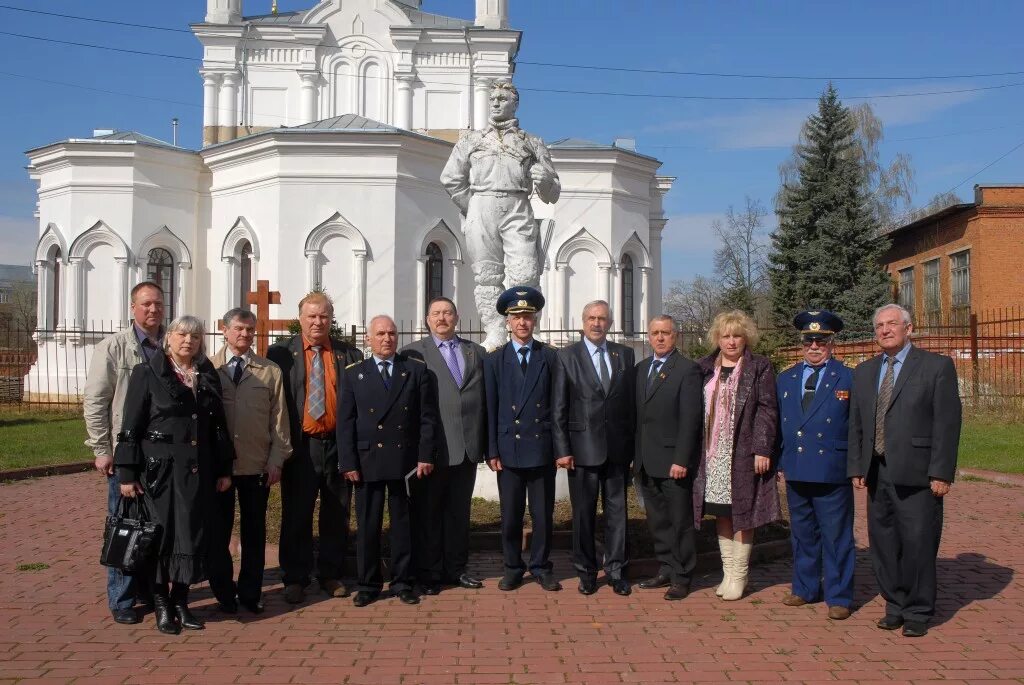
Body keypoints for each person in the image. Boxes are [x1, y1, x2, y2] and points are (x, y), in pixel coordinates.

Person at [114, 315, 234, 635]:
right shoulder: (148, 372)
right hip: (160, 472)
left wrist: (224, 468)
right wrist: (127, 474)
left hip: (199, 471)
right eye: (181, 334)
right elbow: (130, 427)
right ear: (168, 338)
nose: (188, 341)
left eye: (194, 336)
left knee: (192, 536)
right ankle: (161, 605)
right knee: (162, 538)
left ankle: (181, 601)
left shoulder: (206, 374)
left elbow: (218, 427)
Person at [848, 304, 962, 638]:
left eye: (892, 324)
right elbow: (857, 421)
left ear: (909, 328)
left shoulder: (936, 367)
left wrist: (941, 472)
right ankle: (894, 605)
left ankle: (918, 610)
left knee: (918, 542)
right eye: (879, 325)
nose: (884, 330)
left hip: (919, 473)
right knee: (883, 543)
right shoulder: (865, 371)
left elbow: (947, 423)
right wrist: (857, 465)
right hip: (877, 471)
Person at [440, 81, 561, 351]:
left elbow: (553, 193)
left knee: (525, 273)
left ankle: (525, 331)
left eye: (502, 99)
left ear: (514, 104)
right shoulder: (471, 140)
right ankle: (495, 332)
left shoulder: (532, 142)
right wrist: (470, 206)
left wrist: (543, 181)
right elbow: (450, 178)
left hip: (517, 206)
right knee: (486, 275)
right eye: (492, 98)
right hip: (481, 206)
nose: (495, 103)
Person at [267, 291, 364, 604]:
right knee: (297, 513)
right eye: (311, 316)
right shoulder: (281, 354)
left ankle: (330, 574)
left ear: (331, 319)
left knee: (336, 512)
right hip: (301, 446)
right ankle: (294, 577)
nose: (318, 321)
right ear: (300, 319)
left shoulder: (349, 355)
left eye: (324, 316)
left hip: (337, 444)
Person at [338, 315, 438, 607]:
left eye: (392, 333)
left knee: (402, 526)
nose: (386, 339)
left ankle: (402, 582)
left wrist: (424, 456)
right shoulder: (354, 373)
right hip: (367, 460)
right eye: (380, 334)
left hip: (404, 461)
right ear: (368, 339)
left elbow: (427, 419)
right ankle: (368, 584)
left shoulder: (414, 371)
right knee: (368, 526)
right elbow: (346, 422)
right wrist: (348, 462)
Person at [84, 280, 165, 625]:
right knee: (125, 524)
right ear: (133, 308)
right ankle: (121, 598)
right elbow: (96, 400)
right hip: (126, 455)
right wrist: (103, 449)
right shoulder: (114, 347)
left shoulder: (170, 345)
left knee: (156, 525)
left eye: (158, 304)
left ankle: (149, 589)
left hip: (162, 456)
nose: (152, 309)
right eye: (146, 304)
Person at [208, 308, 292, 615]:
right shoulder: (208, 369)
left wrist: (277, 459)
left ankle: (250, 592)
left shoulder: (269, 371)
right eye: (239, 329)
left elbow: (279, 421)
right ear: (224, 330)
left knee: (254, 534)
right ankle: (223, 592)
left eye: (249, 330)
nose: (245, 335)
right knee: (218, 534)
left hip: (257, 465)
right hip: (220, 468)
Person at [401, 297, 487, 594]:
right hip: (433, 450)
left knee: (458, 513)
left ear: (457, 317)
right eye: (436, 313)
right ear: (427, 319)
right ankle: (429, 572)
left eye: (447, 313)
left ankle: (456, 569)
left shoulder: (476, 352)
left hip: (467, 447)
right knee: (429, 513)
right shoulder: (412, 353)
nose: (442, 318)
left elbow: (483, 401)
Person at [552, 300, 636, 596]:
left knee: (617, 514)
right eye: (591, 318)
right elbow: (559, 407)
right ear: (582, 322)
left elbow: (629, 405)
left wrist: (632, 449)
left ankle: (616, 571)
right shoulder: (566, 357)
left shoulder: (624, 354)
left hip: (616, 450)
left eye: (602, 318)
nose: (596, 323)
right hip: (582, 449)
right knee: (584, 515)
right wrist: (562, 450)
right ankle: (586, 571)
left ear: (609, 323)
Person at [695, 310, 780, 601]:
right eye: (726, 336)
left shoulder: (759, 367)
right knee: (721, 512)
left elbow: (767, 409)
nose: (731, 342)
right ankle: (727, 573)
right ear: (717, 338)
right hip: (713, 453)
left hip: (743, 452)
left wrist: (762, 448)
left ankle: (740, 576)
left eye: (737, 335)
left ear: (747, 338)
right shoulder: (705, 368)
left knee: (743, 513)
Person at [483, 286, 564, 591]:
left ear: (535, 319)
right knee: (511, 515)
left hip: (542, 447)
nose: (522, 322)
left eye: (527, 316)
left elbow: (558, 408)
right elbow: (490, 409)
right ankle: (513, 567)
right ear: (507, 321)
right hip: (509, 448)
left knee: (543, 515)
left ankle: (542, 566)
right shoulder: (494, 361)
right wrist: (491, 449)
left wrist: (560, 449)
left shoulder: (551, 358)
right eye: (516, 317)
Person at [776, 310, 855, 621]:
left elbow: (857, 425)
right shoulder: (787, 377)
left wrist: (856, 466)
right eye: (808, 341)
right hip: (796, 466)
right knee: (803, 533)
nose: (814, 347)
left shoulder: (848, 377)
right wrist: (780, 460)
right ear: (801, 344)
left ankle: (839, 596)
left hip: (831, 468)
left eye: (820, 342)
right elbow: (779, 426)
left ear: (831, 343)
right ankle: (805, 587)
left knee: (836, 536)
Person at [633, 315, 703, 600]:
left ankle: (683, 575)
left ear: (675, 336)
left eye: (665, 333)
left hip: (673, 461)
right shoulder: (640, 369)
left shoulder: (687, 370)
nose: (660, 338)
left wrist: (682, 459)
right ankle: (665, 567)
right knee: (657, 520)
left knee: (679, 521)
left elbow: (691, 420)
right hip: (646, 460)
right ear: (648, 337)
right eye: (655, 333)